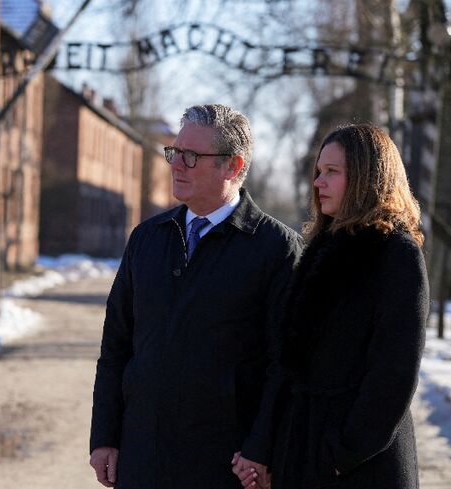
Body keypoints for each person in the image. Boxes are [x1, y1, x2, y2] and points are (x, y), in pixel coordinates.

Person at [89, 104, 301, 488]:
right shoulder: (147, 239)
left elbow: (284, 364)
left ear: (233, 167)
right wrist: (104, 436)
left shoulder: (277, 249)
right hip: (142, 455)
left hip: (226, 464)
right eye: (174, 152)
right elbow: (116, 347)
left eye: (191, 156)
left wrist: (262, 448)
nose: (176, 164)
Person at [235, 124, 428, 489]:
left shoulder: (395, 254)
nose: (318, 183)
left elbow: (394, 373)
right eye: (318, 172)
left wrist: (342, 455)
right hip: (305, 452)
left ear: (367, 177)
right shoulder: (321, 250)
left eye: (332, 172)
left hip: (361, 467)